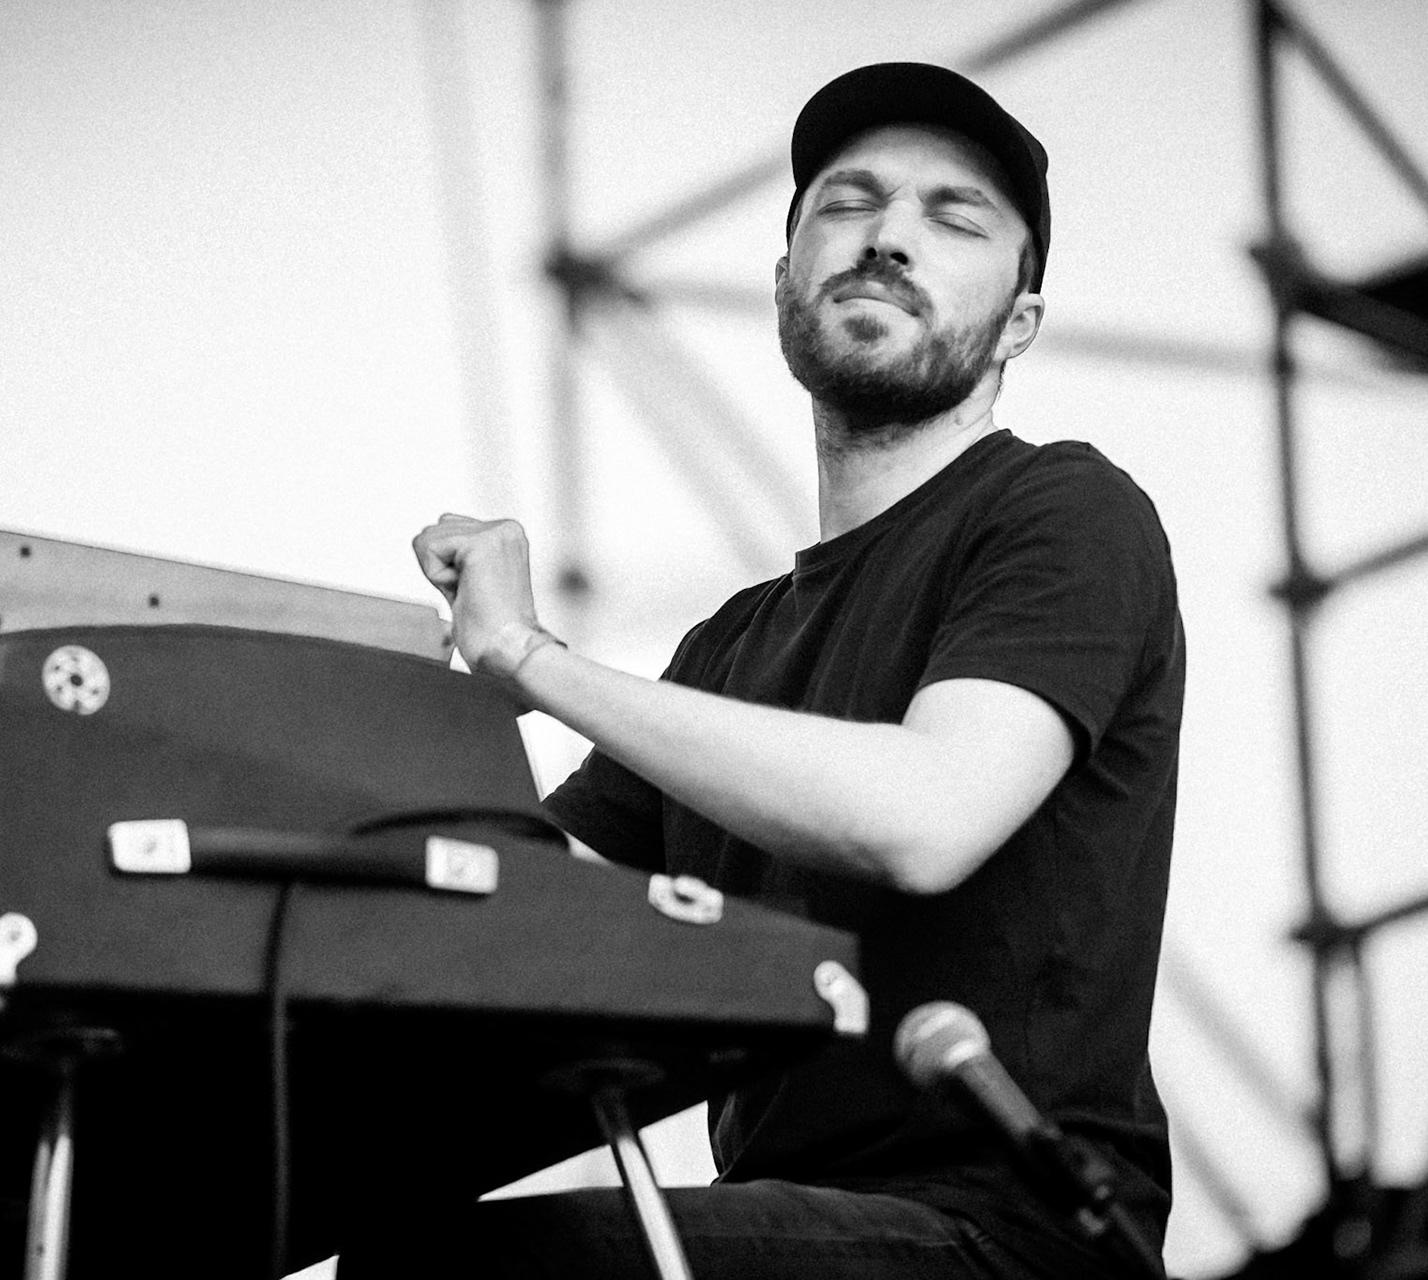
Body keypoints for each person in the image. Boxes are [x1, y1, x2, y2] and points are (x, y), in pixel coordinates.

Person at [347, 62, 1184, 1279]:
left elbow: (927, 815)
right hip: (786, 1220)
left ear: (1018, 324)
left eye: (954, 218)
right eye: (848, 203)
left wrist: (528, 655)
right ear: (785, 280)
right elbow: (520, 907)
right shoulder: (725, 652)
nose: (889, 235)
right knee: (400, 1248)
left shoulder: (1064, 509)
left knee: (484, 1273)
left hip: (1005, 1237)